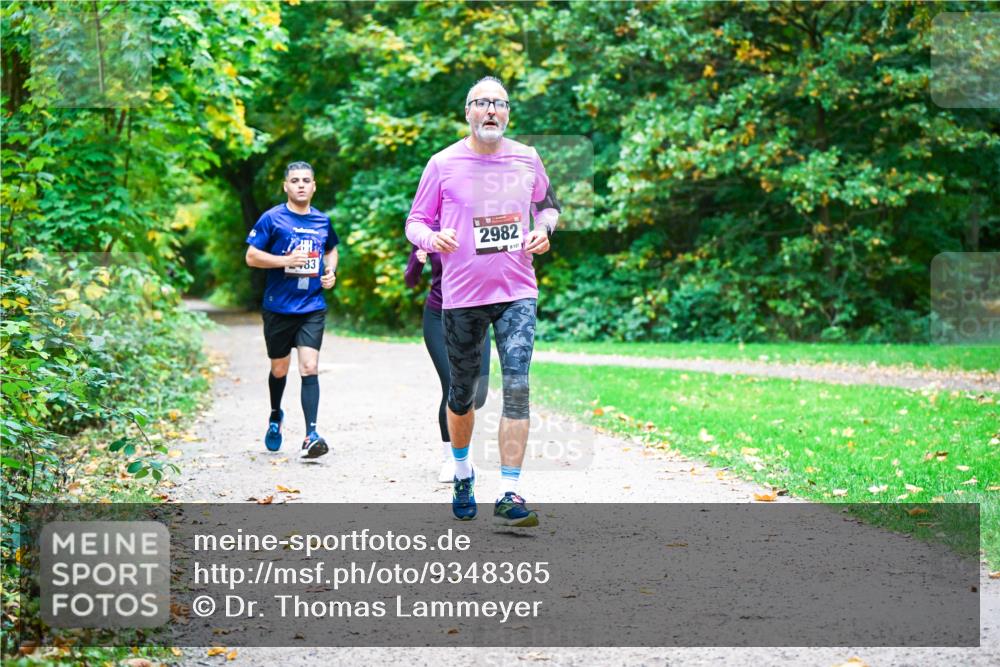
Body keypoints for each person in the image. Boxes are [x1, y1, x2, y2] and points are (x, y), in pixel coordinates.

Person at [405, 76, 559, 527]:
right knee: (463, 393)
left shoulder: (527, 158)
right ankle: (461, 470)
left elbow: (548, 207)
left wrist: (544, 230)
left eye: (500, 103)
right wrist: (432, 237)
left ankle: (509, 489)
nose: (491, 110)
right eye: (482, 103)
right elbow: (415, 221)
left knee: (517, 386)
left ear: (508, 113)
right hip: (461, 296)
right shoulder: (442, 163)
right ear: (467, 112)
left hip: (517, 292)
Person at [245, 161, 339, 460]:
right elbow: (251, 256)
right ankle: (276, 415)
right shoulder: (272, 219)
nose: (301, 185)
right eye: (295, 180)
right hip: (278, 307)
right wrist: (284, 261)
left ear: (314, 186)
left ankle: (311, 434)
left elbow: (331, 249)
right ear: (286, 186)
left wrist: (330, 271)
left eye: (306, 180)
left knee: (309, 367)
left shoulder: (322, 221)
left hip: (311, 307)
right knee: (279, 369)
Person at [405, 235, 490, 484]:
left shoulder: (480, 224)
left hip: (476, 314)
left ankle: (461, 455)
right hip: (438, 316)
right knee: (454, 385)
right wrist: (418, 261)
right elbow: (410, 280)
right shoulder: (430, 232)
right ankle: (452, 459)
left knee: (479, 392)